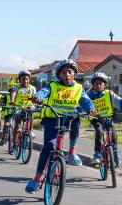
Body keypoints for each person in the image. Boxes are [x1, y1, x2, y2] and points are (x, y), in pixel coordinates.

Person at [25, 60, 96, 194]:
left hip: (67, 118)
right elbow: (43, 92)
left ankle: (72, 152)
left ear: (74, 74)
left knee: (76, 117)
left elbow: (85, 100)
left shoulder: (79, 88)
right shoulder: (52, 85)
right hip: (52, 118)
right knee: (49, 147)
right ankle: (37, 179)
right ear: (59, 75)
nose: (67, 74)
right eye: (64, 72)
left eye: (70, 72)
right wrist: (37, 97)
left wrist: (90, 108)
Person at [86, 72, 122, 166]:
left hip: (108, 118)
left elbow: (119, 100)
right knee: (99, 131)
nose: (98, 85)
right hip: (96, 119)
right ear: (93, 85)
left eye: (100, 83)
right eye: (96, 83)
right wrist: (79, 112)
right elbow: (82, 104)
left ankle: (115, 155)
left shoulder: (109, 94)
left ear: (104, 85)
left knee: (113, 136)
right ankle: (97, 155)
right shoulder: (89, 95)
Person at [10, 70, 37, 148]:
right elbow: (13, 93)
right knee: (17, 124)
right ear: (20, 80)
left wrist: (38, 102)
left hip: (29, 107)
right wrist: (12, 100)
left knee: (31, 112)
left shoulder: (32, 88)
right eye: (23, 79)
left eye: (27, 79)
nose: (25, 81)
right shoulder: (17, 86)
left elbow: (35, 97)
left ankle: (30, 131)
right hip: (19, 107)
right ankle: (14, 144)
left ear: (29, 79)